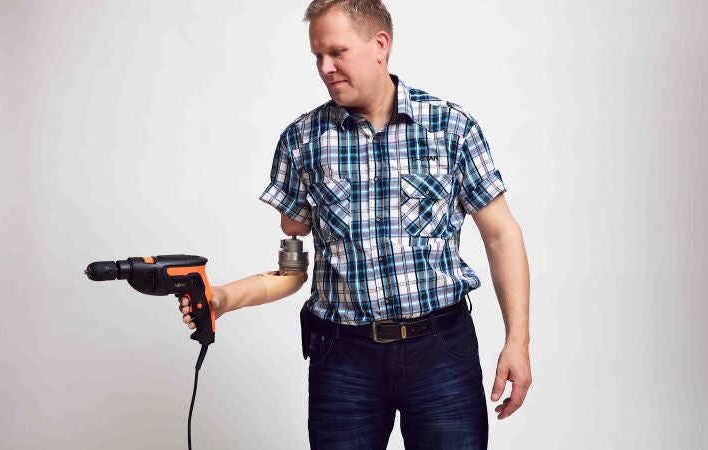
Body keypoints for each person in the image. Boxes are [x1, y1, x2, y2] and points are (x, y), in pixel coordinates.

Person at [180, 1, 531, 448]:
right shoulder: (302, 140)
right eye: (317, 56)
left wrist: (517, 341)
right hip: (343, 358)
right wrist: (223, 299)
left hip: (442, 352)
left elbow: (501, 235)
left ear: (380, 45)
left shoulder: (450, 127)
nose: (325, 68)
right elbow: (292, 271)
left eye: (337, 52)